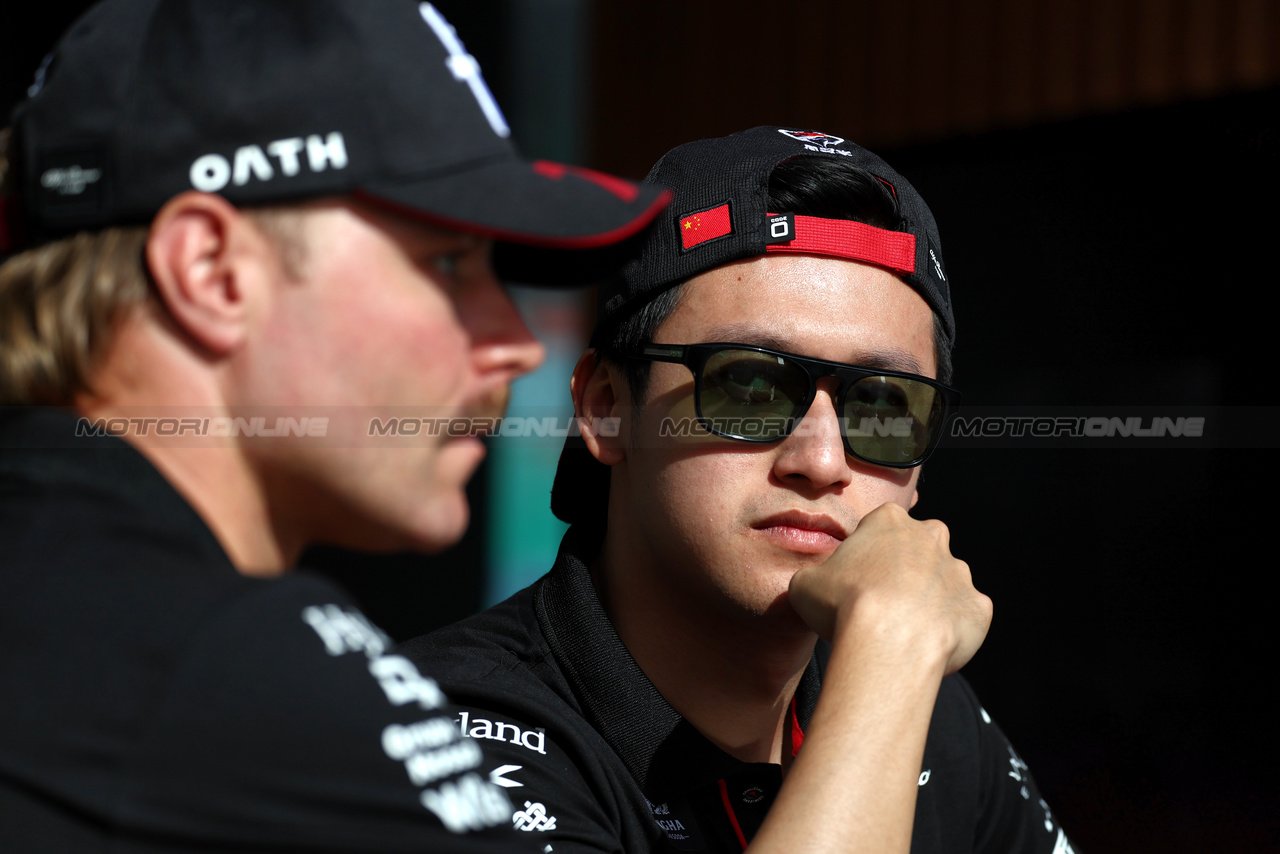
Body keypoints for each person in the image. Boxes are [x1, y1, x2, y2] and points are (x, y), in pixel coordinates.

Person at [0, 1, 670, 850]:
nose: (513, 342)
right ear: (211, 273)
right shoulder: (228, 662)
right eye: (447, 261)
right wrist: (883, 662)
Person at [402, 126, 1078, 853]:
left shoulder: (919, 705)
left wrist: (885, 671)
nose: (820, 461)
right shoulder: (432, 731)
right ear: (605, 406)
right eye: (749, 384)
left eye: (884, 406)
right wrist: (886, 661)